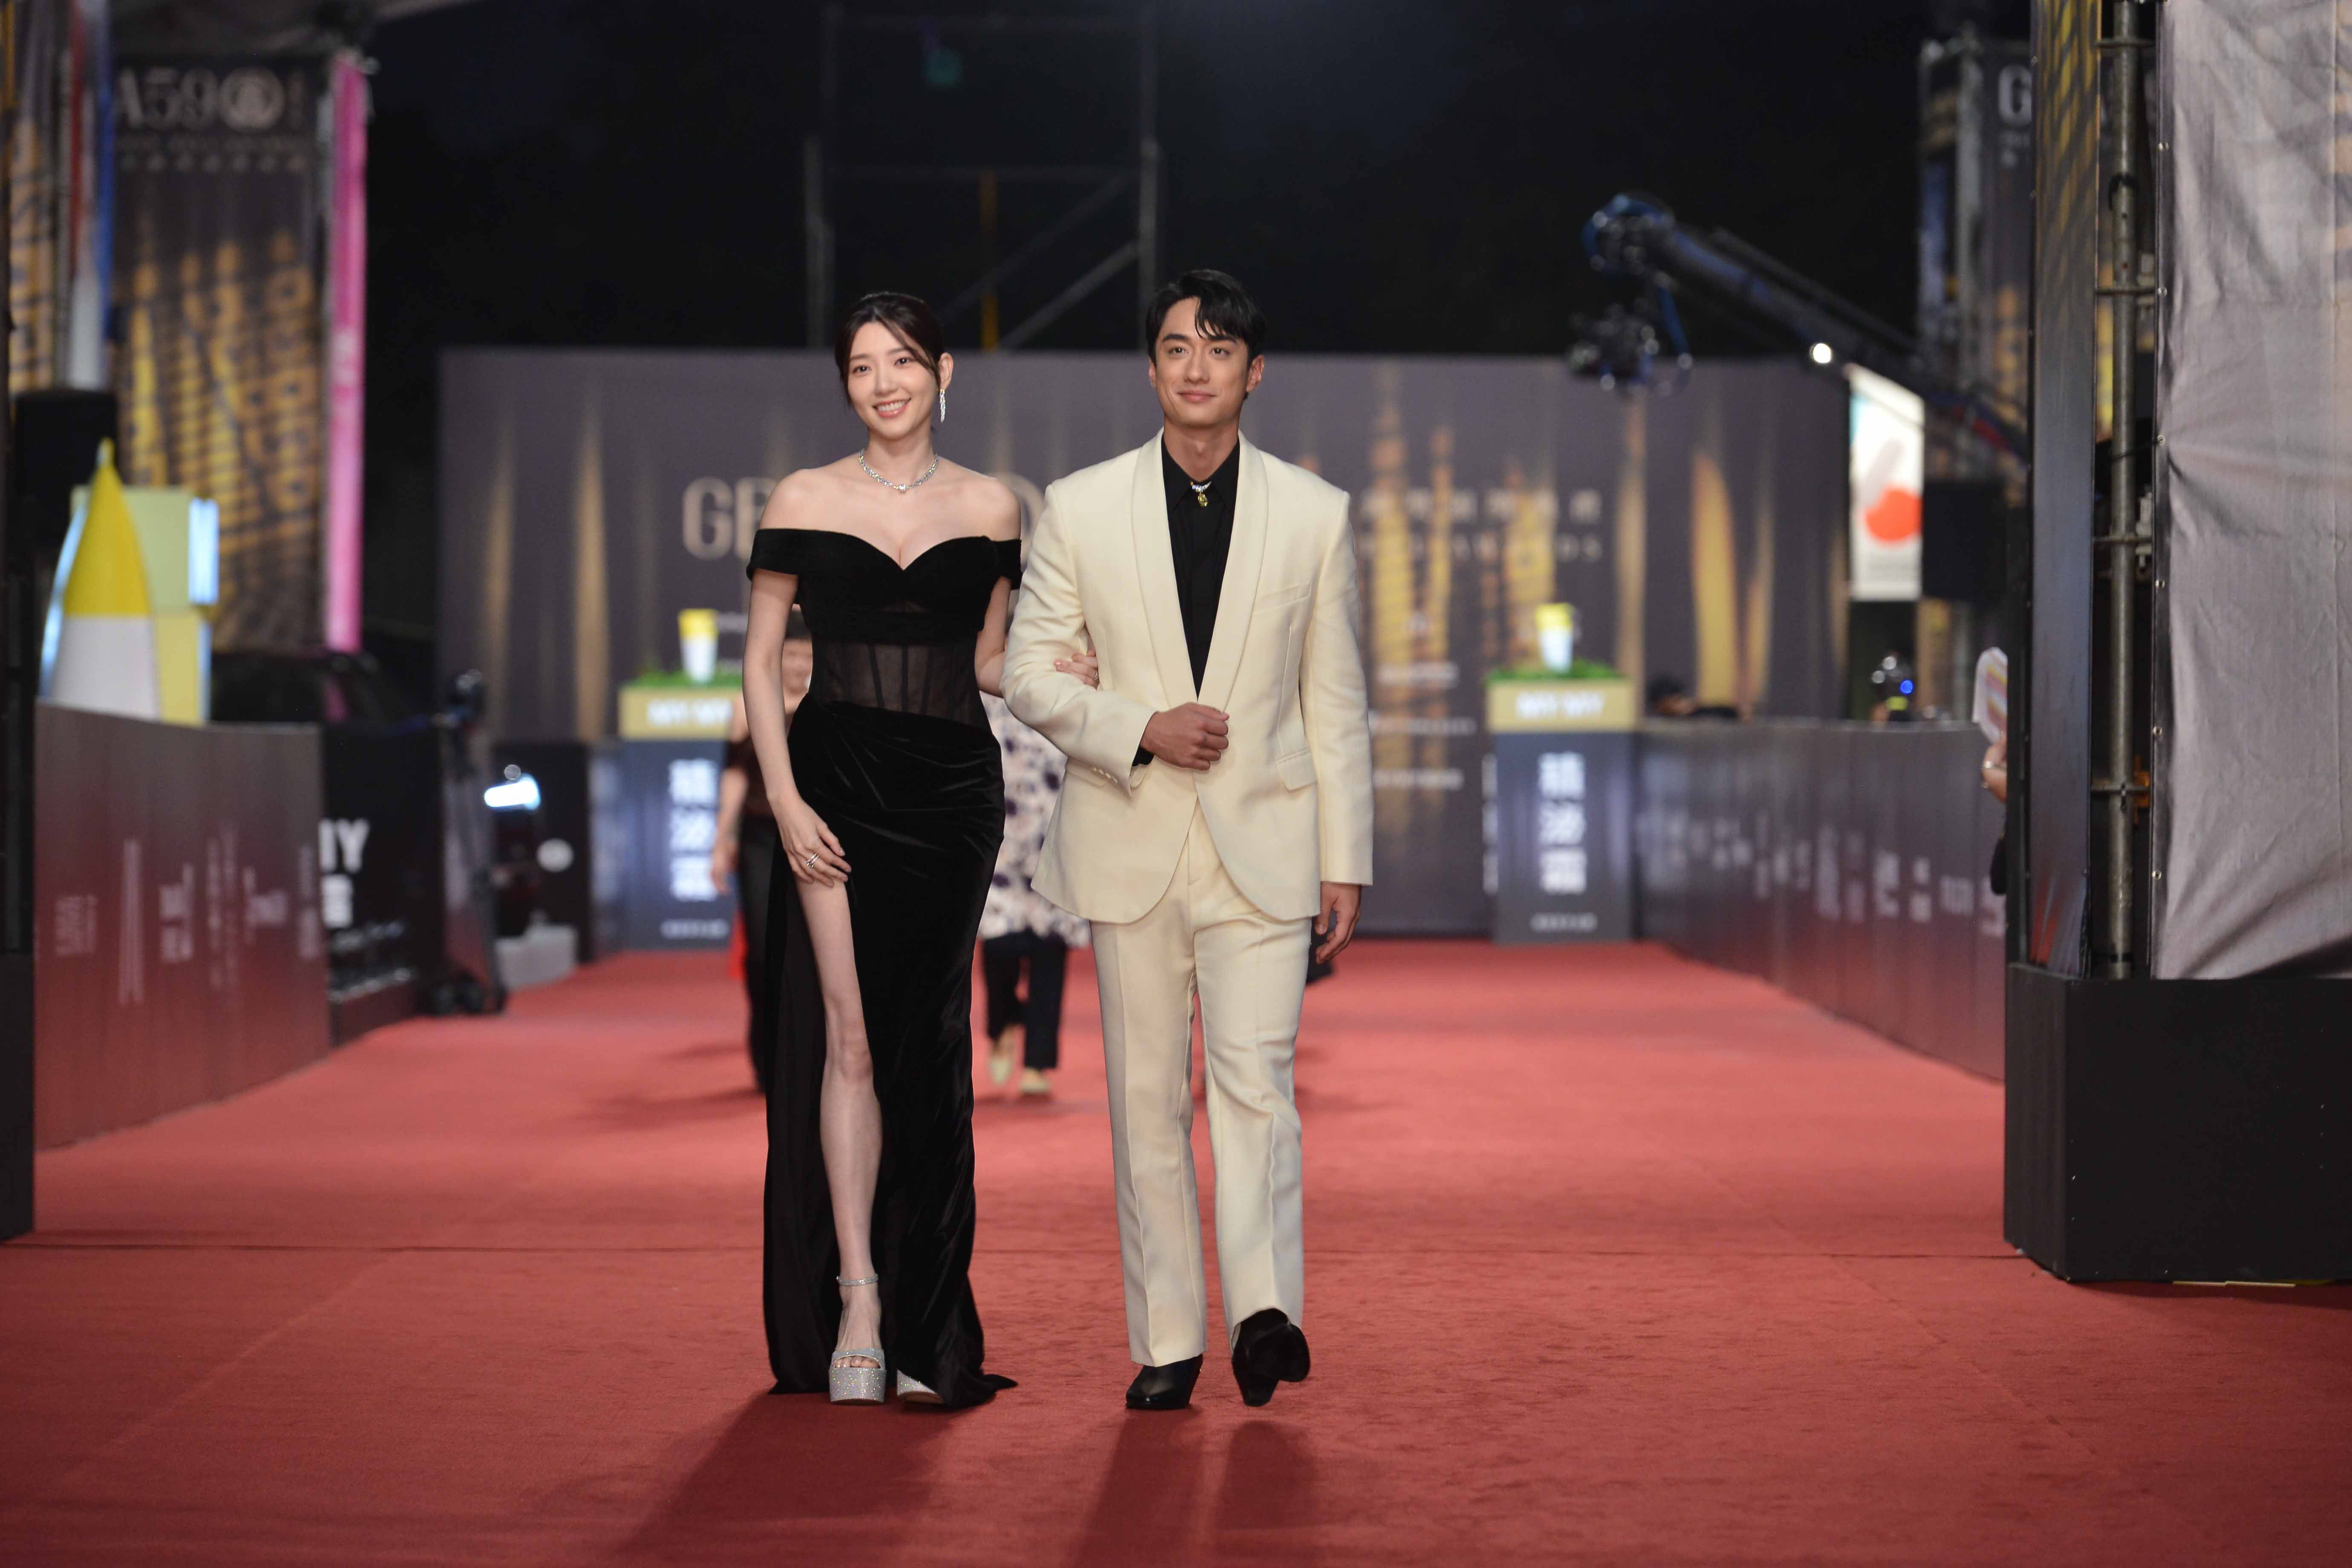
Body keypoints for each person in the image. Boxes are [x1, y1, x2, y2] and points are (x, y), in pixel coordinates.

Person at [1003, 269, 1375, 1412]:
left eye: (1218, 348)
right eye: (1176, 347)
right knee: (1146, 1100)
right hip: (1131, 834)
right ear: (1152, 367)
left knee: (1257, 1084)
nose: (1196, 367)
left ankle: (1264, 1313)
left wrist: (1346, 857)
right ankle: (1167, 1336)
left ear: (1253, 373)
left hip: (1266, 840)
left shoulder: (1314, 514)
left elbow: (1334, 699)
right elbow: (1027, 672)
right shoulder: (1080, 506)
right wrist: (1139, 726)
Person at [740, 292, 1087, 1410]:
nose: (883, 383)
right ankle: (858, 1302)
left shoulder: (993, 506)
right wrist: (784, 799)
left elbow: (987, 662)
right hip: (832, 780)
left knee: (928, 1046)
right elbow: (760, 662)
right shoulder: (803, 497)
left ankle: (929, 1315)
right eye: (860, 367)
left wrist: (1058, 679)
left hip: (951, 794)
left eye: (901, 361)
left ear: (945, 372)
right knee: (847, 1039)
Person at [712, 611, 813, 1095]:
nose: (798, 665)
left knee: (812, 948)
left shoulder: (826, 703)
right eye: (791, 654)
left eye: (807, 655)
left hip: (813, 840)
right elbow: (734, 774)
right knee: (762, 945)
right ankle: (767, 1054)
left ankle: (809, 1055)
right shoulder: (748, 703)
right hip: (759, 838)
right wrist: (721, 839)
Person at [979, 691, 1091, 1098]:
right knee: (999, 946)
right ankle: (1003, 1022)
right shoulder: (982, 686)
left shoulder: (1070, 685)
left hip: (1057, 834)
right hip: (999, 838)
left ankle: (1037, 1061)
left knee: (1049, 949)